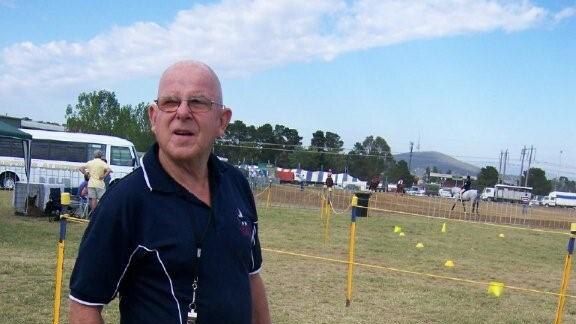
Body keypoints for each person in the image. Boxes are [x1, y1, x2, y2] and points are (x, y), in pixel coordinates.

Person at [69, 60, 271, 324]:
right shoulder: (126, 201)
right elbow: (85, 306)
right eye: (170, 102)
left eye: (198, 102)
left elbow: (251, 276)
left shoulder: (236, 184)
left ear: (222, 121)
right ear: (154, 117)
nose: (183, 112)